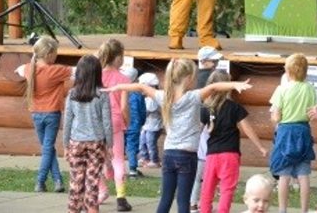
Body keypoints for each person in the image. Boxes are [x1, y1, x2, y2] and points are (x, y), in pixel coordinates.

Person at [106, 58, 252, 213]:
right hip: (187, 157)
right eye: (194, 77)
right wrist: (235, 84)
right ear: (189, 79)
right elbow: (215, 87)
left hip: (169, 154)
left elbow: (140, 86)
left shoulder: (164, 96)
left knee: (166, 199)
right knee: (183, 201)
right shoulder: (193, 97)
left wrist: (117, 87)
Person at [199, 71, 268, 213]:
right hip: (229, 155)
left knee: (207, 189)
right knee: (226, 191)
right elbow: (247, 129)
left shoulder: (206, 109)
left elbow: (197, 130)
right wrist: (260, 147)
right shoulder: (234, 107)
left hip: (211, 155)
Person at [269, 53, 317, 213]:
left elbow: (276, 116)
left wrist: (275, 117)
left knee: (284, 175)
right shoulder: (310, 88)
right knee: (304, 174)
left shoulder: (281, 89)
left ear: (288, 72)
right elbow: (312, 112)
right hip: (303, 130)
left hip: (285, 132)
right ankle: (304, 210)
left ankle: (282, 210)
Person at [21, 36, 72, 193]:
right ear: (49, 54)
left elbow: (20, 70)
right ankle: (40, 181)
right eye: (55, 52)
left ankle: (58, 181)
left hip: (35, 113)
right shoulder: (55, 70)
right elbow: (77, 70)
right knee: (48, 148)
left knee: (47, 148)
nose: (56, 55)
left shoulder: (29, 68)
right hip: (52, 114)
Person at [63, 55, 112, 213]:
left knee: (76, 183)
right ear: (98, 73)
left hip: (76, 142)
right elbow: (107, 123)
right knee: (92, 184)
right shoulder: (102, 95)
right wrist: (109, 145)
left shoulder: (72, 94)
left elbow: (67, 122)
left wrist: (65, 145)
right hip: (96, 142)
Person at [97, 39, 132, 211]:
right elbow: (124, 106)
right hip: (116, 122)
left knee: (98, 159)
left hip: (97, 123)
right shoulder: (124, 78)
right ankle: (121, 198)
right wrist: (128, 120)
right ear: (118, 58)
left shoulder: (96, 76)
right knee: (118, 160)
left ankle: (102, 190)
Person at [189, 45, 224, 211]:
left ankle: (195, 201)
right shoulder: (210, 78)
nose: (216, 63)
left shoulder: (192, 76)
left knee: (200, 168)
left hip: (196, 122)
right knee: (203, 167)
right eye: (214, 60)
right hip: (207, 122)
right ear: (204, 61)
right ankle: (198, 202)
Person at [120, 66, 146, 178]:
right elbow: (142, 110)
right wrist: (142, 122)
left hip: (122, 124)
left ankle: (118, 168)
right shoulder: (137, 93)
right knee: (132, 147)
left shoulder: (120, 91)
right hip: (134, 125)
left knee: (120, 147)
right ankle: (132, 169)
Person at [137, 72, 162, 169]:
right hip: (146, 125)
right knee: (142, 141)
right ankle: (145, 158)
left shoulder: (154, 97)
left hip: (154, 125)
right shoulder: (146, 98)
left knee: (150, 143)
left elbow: (150, 109)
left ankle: (154, 160)